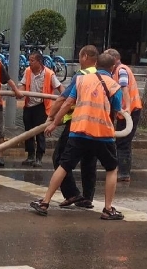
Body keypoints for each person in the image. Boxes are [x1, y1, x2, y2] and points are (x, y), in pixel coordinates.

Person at [30, 52, 125, 221]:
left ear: (96, 65)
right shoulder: (114, 87)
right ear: (112, 68)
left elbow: (67, 103)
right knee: (111, 168)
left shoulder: (81, 80)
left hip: (79, 131)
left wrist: (53, 123)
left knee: (64, 165)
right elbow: (116, 113)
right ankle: (108, 209)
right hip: (102, 135)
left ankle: (44, 202)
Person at [48, 45, 99, 208]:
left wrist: (51, 118)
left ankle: (72, 194)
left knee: (60, 158)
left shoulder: (81, 76)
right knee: (89, 161)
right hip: (98, 125)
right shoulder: (102, 76)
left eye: (79, 56)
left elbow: (64, 99)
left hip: (78, 124)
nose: (78, 59)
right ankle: (87, 197)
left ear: (85, 57)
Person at [18, 52, 64, 167]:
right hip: (29, 105)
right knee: (28, 132)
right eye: (30, 60)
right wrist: (20, 91)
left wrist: (67, 98)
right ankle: (30, 156)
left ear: (39, 62)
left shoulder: (49, 74)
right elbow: (23, 84)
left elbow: (59, 87)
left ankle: (39, 157)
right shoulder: (28, 71)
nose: (30, 62)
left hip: (42, 107)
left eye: (32, 60)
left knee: (40, 133)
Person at [105, 48, 142, 182]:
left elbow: (124, 89)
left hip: (130, 111)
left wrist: (126, 107)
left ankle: (124, 173)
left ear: (113, 59)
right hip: (127, 112)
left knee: (123, 143)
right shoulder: (117, 70)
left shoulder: (121, 70)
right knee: (122, 142)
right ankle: (122, 170)